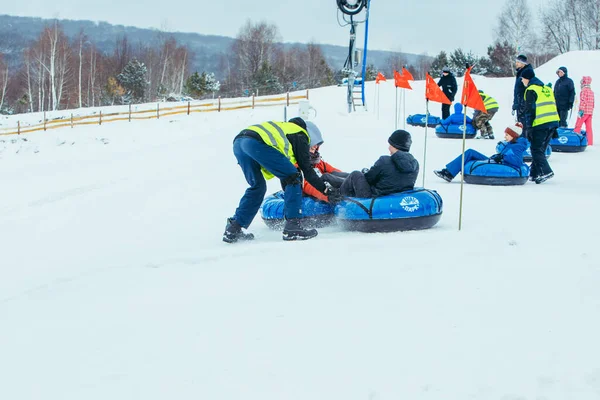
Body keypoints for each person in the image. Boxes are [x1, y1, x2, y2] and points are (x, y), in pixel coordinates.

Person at [223, 117, 341, 243]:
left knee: (258, 186)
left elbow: (285, 176)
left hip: (240, 143)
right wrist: (326, 190)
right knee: (294, 177)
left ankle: (234, 228)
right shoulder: (300, 134)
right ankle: (293, 227)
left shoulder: (284, 132)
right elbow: (307, 172)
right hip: (255, 143)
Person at [323, 130, 419, 198]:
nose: (389, 148)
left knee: (355, 174)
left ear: (395, 146)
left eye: (390, 145)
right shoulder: (415, 164)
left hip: (373, 197)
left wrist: (366, 172)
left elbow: (369, 179)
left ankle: (337, 195)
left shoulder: (384, 160)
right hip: (393, 195)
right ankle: (331, 176)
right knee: (343, 175)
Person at [434, 123, 528, 182]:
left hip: (499, 163)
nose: (505, 137)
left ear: (513, 135)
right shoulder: (511, 143)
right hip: (495, 160)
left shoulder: (517, 146)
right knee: (470, 153)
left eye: (507, 135)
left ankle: (449, 173)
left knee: (470, 153)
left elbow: (518, 162)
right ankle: (449, 172)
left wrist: (503, 158)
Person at [521, 68, 560, 184]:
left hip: (540, 123)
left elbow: (530, 110)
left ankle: (546, 171)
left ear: (527, 79)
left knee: (536, 149)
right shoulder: (546, 89)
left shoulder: (531, 90)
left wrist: (528, 127)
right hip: (552, 122)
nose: (522, 81)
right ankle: (534, 173)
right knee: (541, 149)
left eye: (522, 79)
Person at [302, 121, 348, 202]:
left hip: (326, 189)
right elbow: (308, 186)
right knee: (326, 176)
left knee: (332, 175)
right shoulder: (297, 166)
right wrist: (327, 196)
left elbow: (335, 172)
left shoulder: (318, 163)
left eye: (316, 145)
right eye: (312, 146)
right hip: (315, 195)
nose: (315, 147)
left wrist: (349, 180)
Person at [512, 54, 534, 123]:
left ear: (523, 63)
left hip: (524, 101)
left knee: (524, 122)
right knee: (520, 122)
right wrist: (515, 103)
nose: (516, 64)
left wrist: (523, 102)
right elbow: (517, 90)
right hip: (519, 101)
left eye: (518, 62)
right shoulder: (519, 72)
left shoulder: (527, 72)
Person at [573, 76, 594, 146]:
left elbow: (583, 101)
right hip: (589, 112)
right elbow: (593, 102)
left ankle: (575, 140)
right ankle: (590, 142)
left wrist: (580, 111)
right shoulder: (591, 91)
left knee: (578, 126)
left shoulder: (584, 91)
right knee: (589, 128)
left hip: (583, 112)